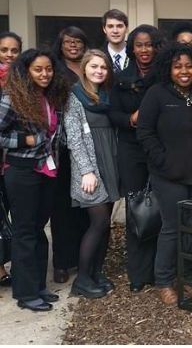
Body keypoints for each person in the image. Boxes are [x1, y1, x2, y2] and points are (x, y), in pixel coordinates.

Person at [137, 44, 192, 305]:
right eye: (177, 67)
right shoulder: (157, 94)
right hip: (168, 177)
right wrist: (163, 161)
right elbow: (144, 131)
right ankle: (164, 281)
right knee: (172, 228)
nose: (184, 71)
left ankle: (189, 279)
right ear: (169, 68)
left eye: (189, 66)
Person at [0, 48, 70, 311]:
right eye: (38, 69)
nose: (44, 74)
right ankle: (25, 293)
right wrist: (23, 140)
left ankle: (38, 285)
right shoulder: (13, 97)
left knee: (39, 229)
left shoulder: (52, 96)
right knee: (25, 232)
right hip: (22, 171)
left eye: (49, 69)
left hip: (47, 171)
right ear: (26, 71)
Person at [108, 24, 161, 292]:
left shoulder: (165, 76)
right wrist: (131, 118)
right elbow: (112, 114)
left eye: (149, 44)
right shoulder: (121, 78)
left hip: (160, 149)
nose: (144, 50)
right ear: (132, 48)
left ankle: (159, 270)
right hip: (131, 150)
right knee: (137, 208)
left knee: (160, 208)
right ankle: (138, 274)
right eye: (139, 45)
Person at [65, 49, 120, 299]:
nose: (99, 71)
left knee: (105, 225)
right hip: (89, 169)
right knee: (98, 222)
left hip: (110, 165)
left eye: (103, 67)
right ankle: (82, 280)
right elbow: (74, 138)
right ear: (84, 68)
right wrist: (87, 171)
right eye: (94, 66)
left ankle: (97, 273)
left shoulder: (107, 96)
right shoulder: (74, 96)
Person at [49, 26, 90, 284]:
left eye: (78, 41)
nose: (73, 46)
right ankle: (62, 262)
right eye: (68, 42)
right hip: (62, 148)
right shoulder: (54, 69)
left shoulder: (90, 67)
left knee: (85, 206)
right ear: (61, 45)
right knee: (62, 207)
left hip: (89, 146)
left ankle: (82, 258)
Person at [0, 31, 22, 287]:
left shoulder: (21, 80)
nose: (9, 55)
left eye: (14, 51)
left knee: (15, 215)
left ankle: (17, 265)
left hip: (15, 162)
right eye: (4, 50)